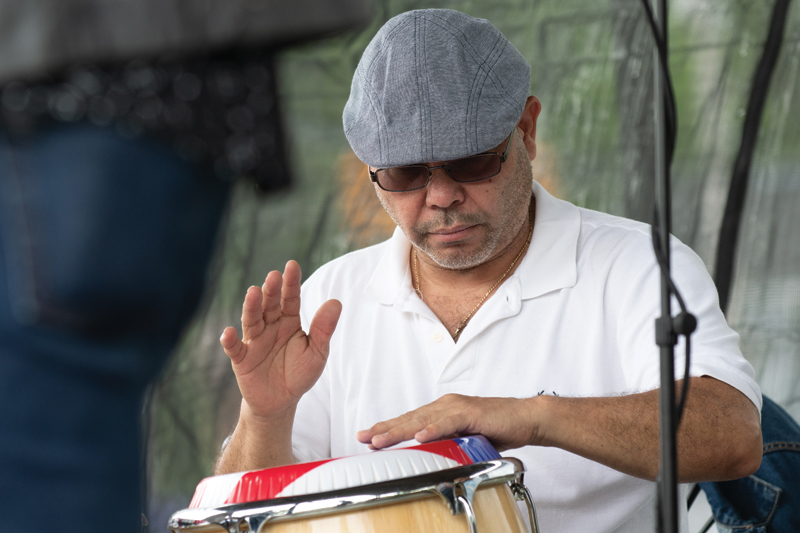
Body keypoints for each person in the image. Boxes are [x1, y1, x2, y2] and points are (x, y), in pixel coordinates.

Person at [214, 9, 763, 532]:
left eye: (472, 161)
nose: (442, 196)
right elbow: (238, 516)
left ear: (527, 128)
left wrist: (534, 417)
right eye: (406, 174)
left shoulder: (638, 264)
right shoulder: (331, 298)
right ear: (372, 171)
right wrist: (265, 417)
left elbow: (734, 436)